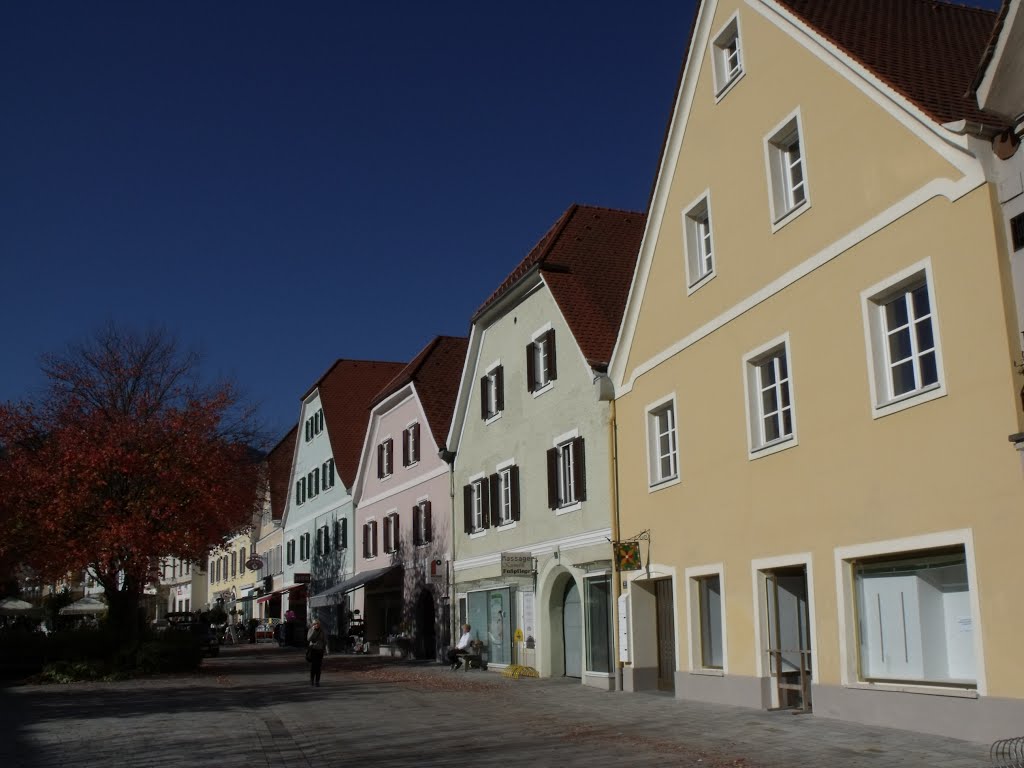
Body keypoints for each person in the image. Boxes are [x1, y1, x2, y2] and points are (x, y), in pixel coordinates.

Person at [306, 618, 327, 687]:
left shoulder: (322, 631)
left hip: (320, 650)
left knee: (318, 666)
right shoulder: (311, 630)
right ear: (313, 624)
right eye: (315, 624)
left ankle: (317, 681)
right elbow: (309, 639)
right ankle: (312, 680)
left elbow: (324, 641)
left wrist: (326, 650)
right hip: (313, 650)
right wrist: (313, 631)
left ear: (319, 624)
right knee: (313, 666)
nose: (316, 625)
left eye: (317, 623)